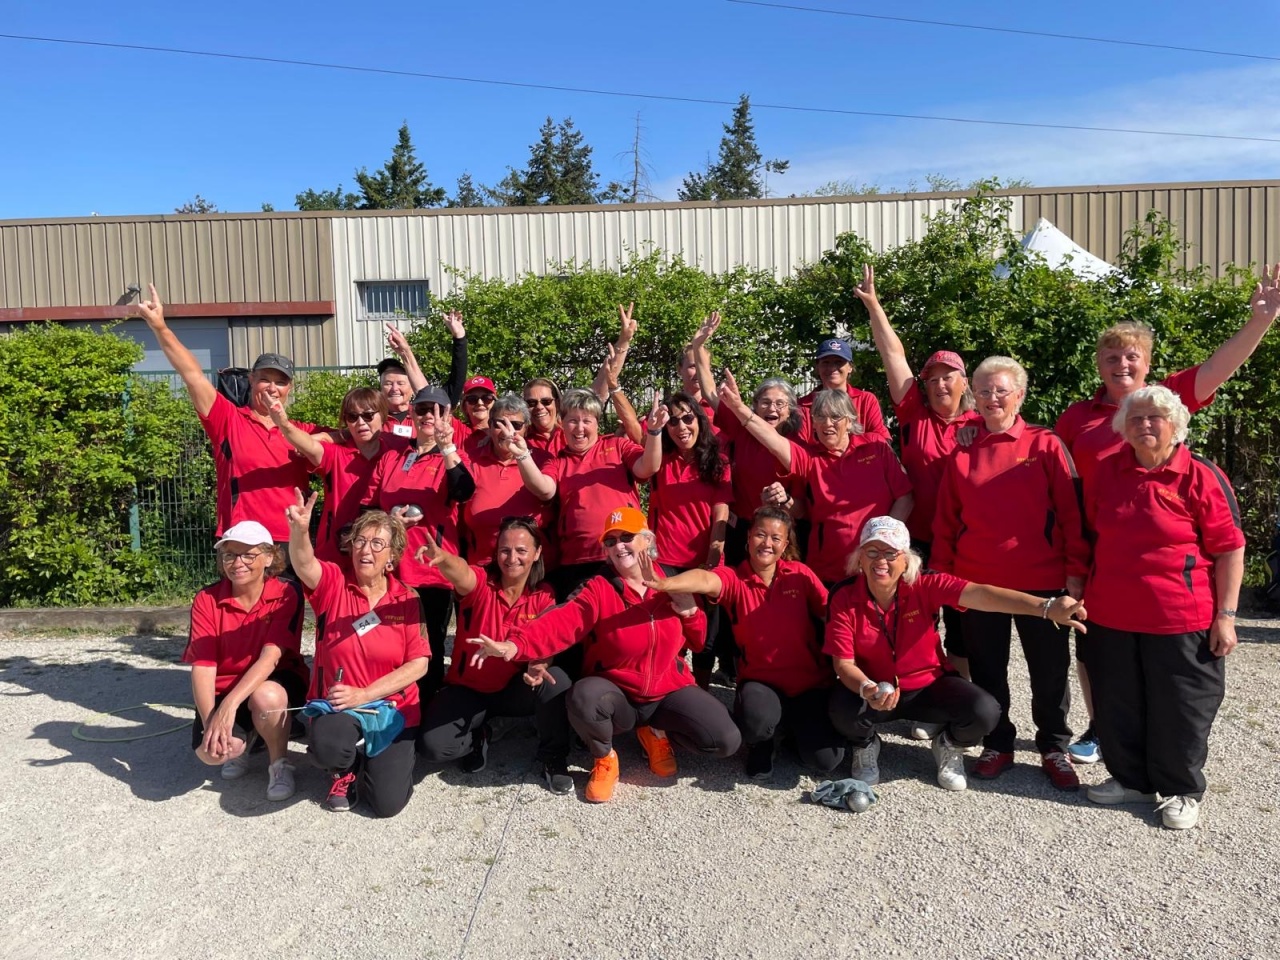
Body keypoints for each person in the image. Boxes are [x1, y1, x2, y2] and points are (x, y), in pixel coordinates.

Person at [1054, 264, 1280, 764]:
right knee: (1096, 648)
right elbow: (1041, 465)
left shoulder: (1164, 402)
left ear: (1147, 363)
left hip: (1160, 548)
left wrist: (1260, 322)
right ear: (1099, 364)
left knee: (1158, 658)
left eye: (1131, 357)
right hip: (1098, 548)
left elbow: (1218, 367)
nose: (1121, 365)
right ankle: (1100, 727)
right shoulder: (1076, 417)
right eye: (1111, 358)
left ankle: (1166, 754)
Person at [467, 507, 741, 803]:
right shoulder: (598, 588)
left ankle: (655, 732)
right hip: (617, 695)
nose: (619, 545)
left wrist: (689, 611)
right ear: (606, 553)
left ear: (647, 540)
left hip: (665, 692)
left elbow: (699, 643)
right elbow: (560, 621)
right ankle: (605, 757)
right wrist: (515, 646)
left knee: (724, 740)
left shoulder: (672, 582)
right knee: (584, 697)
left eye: (627, 537)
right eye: (610, 542)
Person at [1081, 387, 1244, 830]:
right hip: (1112, 614)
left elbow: (1230, 549)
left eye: (1156, 418)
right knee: (1119, 703)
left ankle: (1181, 789)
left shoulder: (1199, 474)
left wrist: (1226, 617)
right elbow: (1092, 536)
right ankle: (1130, 779)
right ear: (1123, 428)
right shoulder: (1109, 470)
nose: (1145, 426)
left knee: (1182, 707)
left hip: (1180, 617)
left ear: (1176, 425)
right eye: (1136, 419)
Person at [825, 517, 1086, 792]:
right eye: (872, 552)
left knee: (985, 711)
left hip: (928, 686)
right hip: (873, 689)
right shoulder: (844, 595)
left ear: (907, 561)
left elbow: (982, 595)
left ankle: (949, 745)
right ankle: (866, 745)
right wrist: (867, 688)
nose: (881, 561)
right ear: (860, 559)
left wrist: (1046, 607)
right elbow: (843, 664)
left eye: (891, 553)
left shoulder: (924, 583)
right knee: (840, 710)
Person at [931, 356, 1090, 791]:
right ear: (973, 398)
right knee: (987, 668)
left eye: (1001, 390)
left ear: (1020, 394)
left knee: (1049, 670)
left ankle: (1053, 744)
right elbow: (947, 520)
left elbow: (1072, 516)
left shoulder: (1045, 445)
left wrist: (1076, 574)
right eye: (983, 391)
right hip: (978, 583)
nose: (992, 398)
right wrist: (944, 580)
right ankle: (998, 742)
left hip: (1043, 580)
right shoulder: (963, 450)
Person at [642, 507, 842, 781]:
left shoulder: (800, 575)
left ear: (785, 545)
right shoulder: (735, 578)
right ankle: (764, 741)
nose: (767, 543)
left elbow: (832, 615)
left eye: (775, 538)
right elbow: (705, 579)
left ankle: (789, 730)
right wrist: (665, 583)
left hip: (809, 683)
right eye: (760, 534)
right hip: (762, 683)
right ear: (748, 538)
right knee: (755, 723)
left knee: (825, 761)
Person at [135, 283, 326, 552]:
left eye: (280, 382)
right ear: (251, 380)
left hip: (290, 540)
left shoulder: (301, 431)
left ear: (289, 388)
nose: (272, 388)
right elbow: (192, 375)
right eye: (264, 380)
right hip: (241, 539)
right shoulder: (228, 420)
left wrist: (311, 438)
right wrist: (160, 327)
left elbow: (345, 438)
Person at [861, 262, 981, 682]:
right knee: (916, 617)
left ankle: (961, 694)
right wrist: (875, 305)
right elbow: (893, 354)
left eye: (950, 378)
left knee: (964, 625)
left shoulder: (981, 427)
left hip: (965, 541)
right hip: (920, 539)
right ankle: (925, 687)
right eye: (933, 379)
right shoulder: (914, 414)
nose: (941, 385)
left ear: (965, 383)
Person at [287, 496, 429, 817]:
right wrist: (299, 531)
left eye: (378, 543)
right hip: (341, 707)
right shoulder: (334, 584)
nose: (366, 550)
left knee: (386, 805)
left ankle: (378, 758)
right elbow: (305, 564)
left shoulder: (408, 599)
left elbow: (419, 664)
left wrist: (364, 694)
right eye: (360, 541)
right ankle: (344, 770)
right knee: (328, 746)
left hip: (393, 708)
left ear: (392, 557)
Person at [414, 519, 574, 794]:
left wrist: (539, 664)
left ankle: (554, 758)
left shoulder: (543, 594)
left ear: (536, 553)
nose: (512, 558)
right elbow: (462, 572)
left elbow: (547, 642)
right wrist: (443, 559)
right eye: (505, 550)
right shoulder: (481, 584)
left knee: (554, 679)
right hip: (468, 689)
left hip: (513, 690)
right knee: (433, 747)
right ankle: (481, 733)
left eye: (521, 550)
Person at [718, 373, 913, 586]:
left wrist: (883, 539)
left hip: (878, 563)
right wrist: (738, 408)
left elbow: (905, 498)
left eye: (835, 417)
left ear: (849, 421)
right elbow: (773, 440)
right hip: (829, 569)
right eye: (820, 417)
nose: (827, 424)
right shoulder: (810, 458)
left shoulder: (875, 448)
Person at [183, 520, 309, 801]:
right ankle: (248, 737)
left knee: (267, 697)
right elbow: (203, 665)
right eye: (230, 555)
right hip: (225, 686)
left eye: (248, 554)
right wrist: (210, 723)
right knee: (213, 755)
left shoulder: (286, 593)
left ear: (268, 557)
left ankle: (279, 763)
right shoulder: (206, 599)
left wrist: (228, 707)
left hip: (274, 679)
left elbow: (271, 657)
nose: (238, 562)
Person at [370, 385, 475, 702]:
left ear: (448, 415)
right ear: (412, 413)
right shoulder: (392, 456)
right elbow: (370, 508)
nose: (428, 415)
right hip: (391, 570)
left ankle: (426, 710)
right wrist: (389, 521)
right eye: (422, 409)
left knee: (426, 645)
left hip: (431, 572)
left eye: (437, 410)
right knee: (390, 641)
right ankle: (394, 705)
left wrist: (446, 448)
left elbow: (464, 491)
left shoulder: (456, 456)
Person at [507, 389, 645, 601]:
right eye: (572, 421)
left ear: (597, 423)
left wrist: (653, 434)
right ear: (563, 424)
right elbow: (544, 488)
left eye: (586, 421)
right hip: (577, 561)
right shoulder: (558, 461)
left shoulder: (617, 446)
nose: (579, 428)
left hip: (622, 556)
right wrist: (523, 455)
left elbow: (648, 468)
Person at [635, 391, 733, 688]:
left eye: (688, 418)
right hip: (665, 562)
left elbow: (721, 514)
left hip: (703, 563)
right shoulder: (660, 461)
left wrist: (714, 558)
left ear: (700, 420)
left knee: (707, 638)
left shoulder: (719, 462)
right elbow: (632, 429)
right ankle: (671, 690)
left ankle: (701, 692)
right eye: (673, 422)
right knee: (670, 634)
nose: (681, 427)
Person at [269, 387, 407, 563]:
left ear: (383, 416)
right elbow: (308, 445)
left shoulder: (398, 452)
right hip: (335, 553)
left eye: (368, 415)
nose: (360, 423)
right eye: (352, 417)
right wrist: (284, 424)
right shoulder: (336, 455)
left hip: (380, 554)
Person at [460, 395, 556, 567]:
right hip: (483, 565)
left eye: (516, 425)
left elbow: (546, 492)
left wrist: (521, 455)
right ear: (489, 427)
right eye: (499, 424)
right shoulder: (471, 460)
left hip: (532, 568)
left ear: (526, 429)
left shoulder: (543, 460)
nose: (508, 431)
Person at [377, 313, 467, 439]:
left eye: (400, 383)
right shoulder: (372, 418)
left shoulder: (424, 414)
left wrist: (459, 339)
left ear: (411, 386)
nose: (394, 389)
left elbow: (454, 384)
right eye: (388, 383)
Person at [797, 336, 891, 445]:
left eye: (838, 362)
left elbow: (881, 440)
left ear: (850, 367)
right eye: (826, 362)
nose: (832, 368)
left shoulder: (866, 400)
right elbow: (798, 448)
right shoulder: (803, 405)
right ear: (817, 367)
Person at [523, 377, 565, 455]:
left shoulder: (572, 433)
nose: (539, 407)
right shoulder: (521, 437)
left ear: (557, 403)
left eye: (546, 401)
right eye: (531, 402)